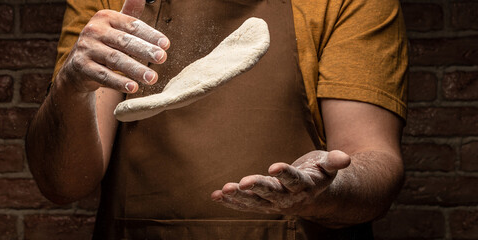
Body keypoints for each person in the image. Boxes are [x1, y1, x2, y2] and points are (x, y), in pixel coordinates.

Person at [25, 0, 408, 239]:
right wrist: (70, 86)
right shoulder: (116, 5)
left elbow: (373, 157)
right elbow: (63, 184)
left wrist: (328, 188)